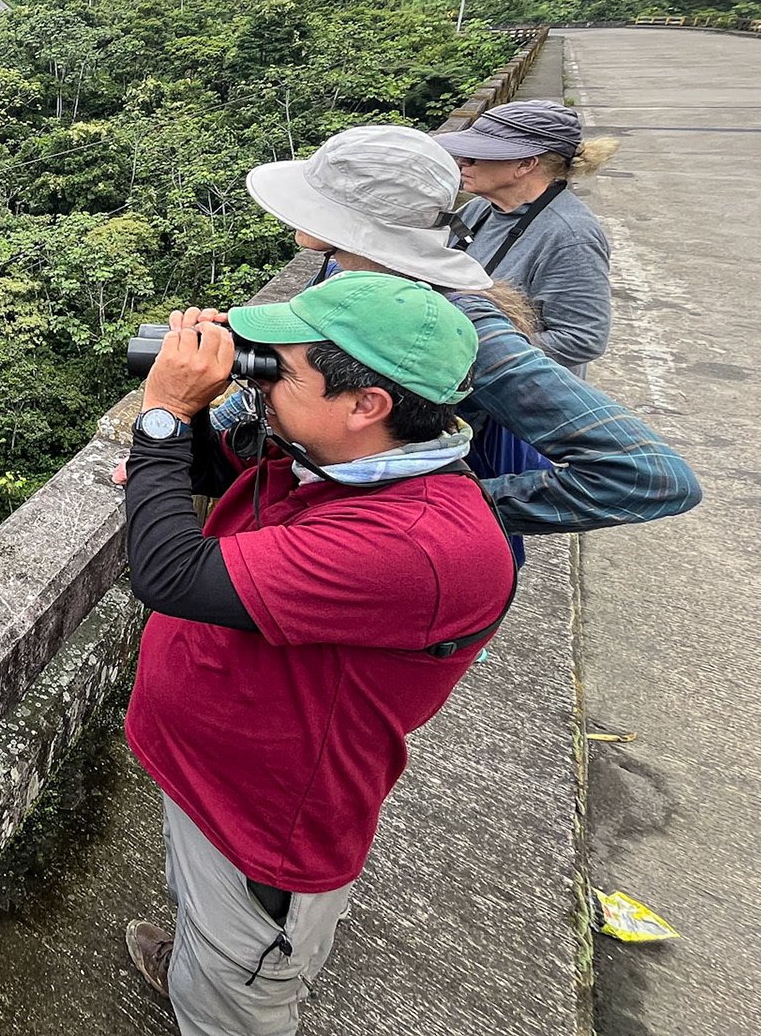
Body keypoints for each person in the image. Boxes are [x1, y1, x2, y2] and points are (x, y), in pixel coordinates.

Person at [119, 273, 516, 1034]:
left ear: (368, 405)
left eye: (281, 369)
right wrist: (196, 416)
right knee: (203, 905)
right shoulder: (347, 461)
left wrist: (164, 416)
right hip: (210, 773)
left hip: (264, 822)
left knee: (243, 993)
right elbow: (215, 476)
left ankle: (225, 985)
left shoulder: (416, 545)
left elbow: (168, 573)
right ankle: (200, 957)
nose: (262, 381)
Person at [238, 124, 699, 545]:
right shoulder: (347, 277)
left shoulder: (454, 322)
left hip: (404, 553)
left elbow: (649, 477)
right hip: (336, 530)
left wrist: (444, 508)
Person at [433, 99, 617, 374]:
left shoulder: (571, 235)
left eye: (475, 155)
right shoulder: (479, 208)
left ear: (525, 164)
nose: (463, 162)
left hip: (512, 395)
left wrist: (465, 348)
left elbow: (583, 339)